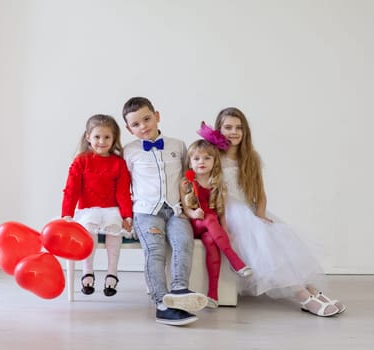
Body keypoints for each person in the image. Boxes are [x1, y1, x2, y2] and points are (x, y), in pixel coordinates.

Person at [213, 107, 346, 317]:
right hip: (227, 212)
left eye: (239, 128)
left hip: (248, 210)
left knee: (277, 236)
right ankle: (301, 295)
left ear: (245, 131)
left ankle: (312, 290)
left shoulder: (250, 158)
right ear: (219, 130)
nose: (234, 132)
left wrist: (260, 216)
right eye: (228, 127)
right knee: (263, 240)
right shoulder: (213, 157)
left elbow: (260, 194)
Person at [122, 97, 207, 326]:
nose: (143, 126)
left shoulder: (177, 145)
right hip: (145, 212)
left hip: (176, 210)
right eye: (136, 124)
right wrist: (125, 215)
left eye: (147, 119)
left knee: (183, 243)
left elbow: (187, 180)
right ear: (129, 129)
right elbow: (122, 184)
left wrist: (191, 208)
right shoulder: (129, 152)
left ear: (157, 116)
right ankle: (161, 303)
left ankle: (179, 290)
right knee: (155, 251)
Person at [61, 114, 133, 297]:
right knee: (89, 230)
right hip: (88, 210)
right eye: (97, 137)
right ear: (88, 137)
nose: (102, 141)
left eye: (107, 137)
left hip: (112, 208)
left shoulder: (118, 163)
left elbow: (123, 192)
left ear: (114, 138)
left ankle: (112, 273)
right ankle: (88, 271)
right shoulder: (81, 161)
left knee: (114, 229)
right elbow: (71, 190)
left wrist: (127, 215)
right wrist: (66, 215)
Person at [181, 134, 252, 309]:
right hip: (195, 223)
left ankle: (213, 294)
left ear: (215, 161)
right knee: (208, 217)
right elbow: (185, 208)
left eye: (207, 158)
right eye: (196, 158)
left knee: (211, 242)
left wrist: (226, 229)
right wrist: (193, 213)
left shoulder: (218, 184)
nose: (201, 161)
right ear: (190, 163)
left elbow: (221, 212)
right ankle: (235, 260)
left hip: (211, 228)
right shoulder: (186, 183)